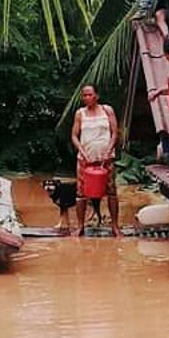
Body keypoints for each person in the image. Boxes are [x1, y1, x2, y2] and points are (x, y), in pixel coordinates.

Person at [69, 85, 121, 236]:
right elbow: (74, 135)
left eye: (89, 95)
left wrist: (109, 150)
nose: (86, 98)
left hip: (106, 159)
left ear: (96, 96)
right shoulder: (80, 113)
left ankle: (115, 226)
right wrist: (82, 152)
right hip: (85, 160)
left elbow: (114, 132)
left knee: (111, 191)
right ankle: (80, 226)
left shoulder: (107, 110)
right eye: (84, 95)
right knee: (81, 193)